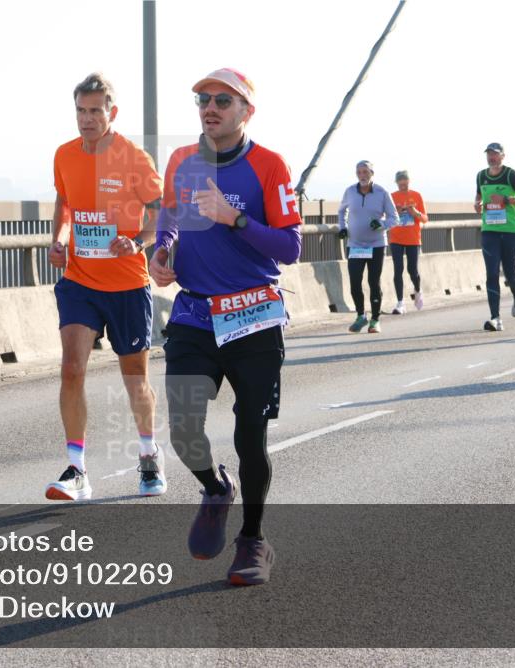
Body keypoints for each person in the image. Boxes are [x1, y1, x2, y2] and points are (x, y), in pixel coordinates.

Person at [149, 68, 303, 585]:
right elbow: (170, 216)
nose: (209, 107)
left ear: (246, 111)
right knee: (183, 429)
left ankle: (253, 540)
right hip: (194, 314)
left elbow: (291, 247)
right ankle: (216, 489)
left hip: (253, 316)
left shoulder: (269, 165)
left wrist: (233, 218)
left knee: (249, 437)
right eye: (202, 98)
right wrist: (162, 250)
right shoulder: (182, 160)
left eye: (222, 100)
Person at [45, 73, 166, 501]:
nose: (87, 119)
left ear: (111, 112)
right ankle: (76, 469)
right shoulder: (64, 155)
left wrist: (137, 242)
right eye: (81, 110)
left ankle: (149, 454)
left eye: (95, 111)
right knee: (71, 367)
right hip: (80, 280)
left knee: (135, 379)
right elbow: (64, 203)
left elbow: (161, 214)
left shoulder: (133, 157)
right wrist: (59, 240)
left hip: (127, 284)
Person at [337, 160, 399, 333]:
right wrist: (342, 227)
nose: (362, 175)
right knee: (355, 282)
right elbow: (341, 211)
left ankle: (375, 319)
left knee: (373, 282)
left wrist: (381, 224)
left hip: (376, 245)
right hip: (355, 245)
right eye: (359, 172)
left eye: (365, 172)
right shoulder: (350, 191)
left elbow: (394, 218)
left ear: (372, 173)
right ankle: (360, 315)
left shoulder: (382, 192)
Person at [474, 142, 515, 332]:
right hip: (489, 230)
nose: (491, 157)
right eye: (489, 154)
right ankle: (495, 318)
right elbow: (479, 196)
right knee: (492, 273)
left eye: (495, 154)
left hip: (511, 230)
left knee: (511, 275)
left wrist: (506, 200)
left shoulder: (511, 175)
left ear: (503, 156)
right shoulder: (481, 176)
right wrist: (477, 204)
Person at [388, 170, 428, 314]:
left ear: (409, 181)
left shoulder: (416, 195)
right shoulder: (391, 197)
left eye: (405, 180)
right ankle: (400, 303)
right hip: (396, 238)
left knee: (413, 270)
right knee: (398, 269)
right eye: (400, 181)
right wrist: (396, 212)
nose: (402, 183)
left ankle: (417, 290)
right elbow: (385, 217)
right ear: (396, 182)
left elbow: (425, 219)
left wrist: (415, 212)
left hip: (413, 238)